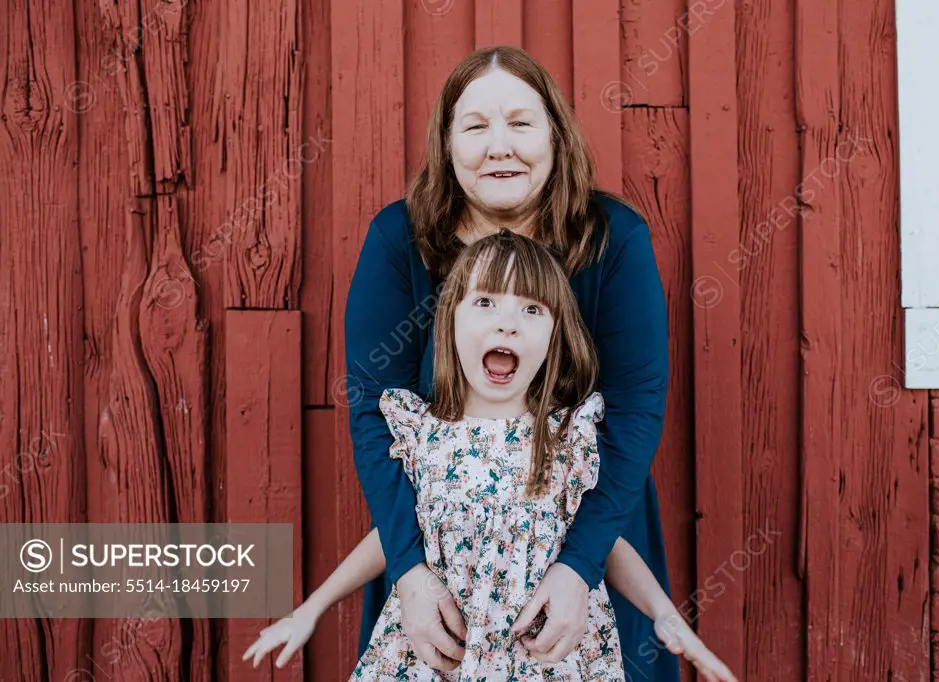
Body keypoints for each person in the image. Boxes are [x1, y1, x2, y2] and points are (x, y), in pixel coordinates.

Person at [243, 232, 737, 681]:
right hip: (442, 659)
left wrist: (667, 615)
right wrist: (310, 609)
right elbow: (392, 537)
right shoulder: (425, 436)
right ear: (450, 322)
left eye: (532, 310)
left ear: (554, 336)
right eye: (485, 302)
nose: (507, 325)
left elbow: (605, 546)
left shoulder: (566, 440)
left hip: (545, 664)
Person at [340, 44, 683, 679]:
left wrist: (579, 567)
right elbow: (373, 413)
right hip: (441, 554)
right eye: (475, 126)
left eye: (521, 123)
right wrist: (409, 570)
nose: (500, 146)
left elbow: (637, 410)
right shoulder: (400, 238)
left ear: (557, 135)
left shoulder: (612, 239)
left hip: (594, 534)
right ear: (447, 144)